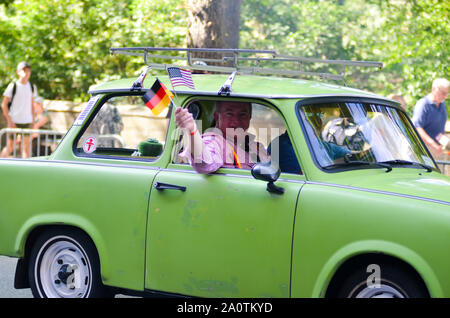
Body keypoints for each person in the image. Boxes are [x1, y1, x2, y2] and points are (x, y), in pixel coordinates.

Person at [175, 101, 270, 174]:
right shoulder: (215, 141)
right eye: (229, 114)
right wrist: (192, 130)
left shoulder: (256, 146)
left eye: (242, 114)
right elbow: (203, 162)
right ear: (217, 117)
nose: (236, 121)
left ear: (249, 117)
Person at [1, 62, 37, 158]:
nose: (26, 73)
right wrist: (9, 120)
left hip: (27, 121)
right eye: (24, 70)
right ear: (18, 72)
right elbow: (4, 104)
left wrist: (33, 121)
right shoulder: (13, 86)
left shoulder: (32, 87)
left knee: (26, 148)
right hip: (14, 121)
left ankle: (27, 171)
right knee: (10, 146)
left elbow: (32, 105)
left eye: (28, 70)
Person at [412, 78, 449, 157]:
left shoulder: (442, 105)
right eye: (443, 93)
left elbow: (438, 130)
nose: (445, 96)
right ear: (434, 89)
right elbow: (417, 128)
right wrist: (433, 144)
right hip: (422, 149)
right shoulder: (423, 104)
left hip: (436, 149)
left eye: (447, 94)